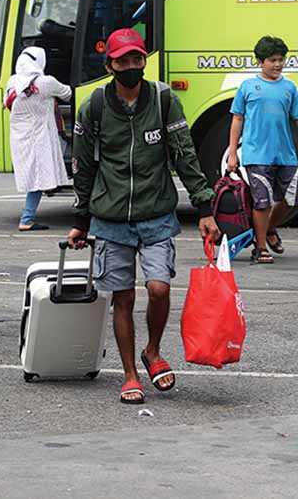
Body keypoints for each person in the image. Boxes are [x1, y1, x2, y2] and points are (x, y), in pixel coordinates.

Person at [68, 28, 220, 405]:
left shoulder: (164, 100)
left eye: (137, 59)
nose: (131, 66)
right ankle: (131, 375)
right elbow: (83, 166)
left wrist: (204, 207)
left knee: (159, 288)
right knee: (122, 298)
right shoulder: (95, 107)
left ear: (144, 61)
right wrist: (81, 219)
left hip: (156, 215)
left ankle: (152, 351)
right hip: (110, 218)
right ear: (110, 65)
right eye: (123, 61)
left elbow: (184, 153)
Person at [227, 35, 298, 264]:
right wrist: (232, 152)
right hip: (256, 154)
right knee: (262, 202)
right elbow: (237, 119)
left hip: (286, 155)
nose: (278, 64)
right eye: (272, 60)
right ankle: (260, 247)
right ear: (260, 61)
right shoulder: (248, 87)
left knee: (291, 199)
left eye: (281, 60)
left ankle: (268, 228)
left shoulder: (290, 88)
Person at [5, 46, 71, 231]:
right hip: (40, 137)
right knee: (39, 176)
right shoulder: (46, 82)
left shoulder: (12, 82)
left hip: (20, 138)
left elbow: (6, 102)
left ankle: (31, 212)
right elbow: (67, 93)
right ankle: (27, 219)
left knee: (34, 176)